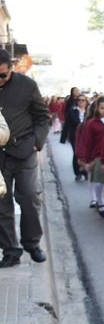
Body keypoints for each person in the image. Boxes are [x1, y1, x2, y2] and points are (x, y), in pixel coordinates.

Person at [0, 49, 53, 267]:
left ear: (11, 68)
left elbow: (42, 117)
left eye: (2, 75)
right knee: (1, 204)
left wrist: (37, 142)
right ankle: (10, 251)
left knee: (30, 198)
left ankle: (32, 243)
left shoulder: (27, 85)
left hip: (24, 150)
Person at [74, 95, 104, 214]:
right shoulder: (91, 124)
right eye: (102, 108)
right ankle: (99, 201)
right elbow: (87, 142)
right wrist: (85, 159)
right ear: (97, 108)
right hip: (97, 155)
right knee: (99, 182)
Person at [63, 93, 89, 180]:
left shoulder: (89, 111)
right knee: (76, 153)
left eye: (83, 100)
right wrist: (64, 137)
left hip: (87, 136)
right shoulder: (72, 111)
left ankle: (85, 172)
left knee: (86, 154)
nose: (81, 102)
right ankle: (78, 173)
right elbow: (67, 124)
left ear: (86, 101)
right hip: (75, 136)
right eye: (79, 100)